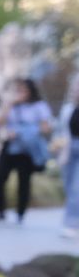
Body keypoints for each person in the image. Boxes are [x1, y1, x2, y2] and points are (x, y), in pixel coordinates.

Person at [0, 77, 53, 225]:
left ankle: (20, 213)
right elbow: (0, 122)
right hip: (11, 146)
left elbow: (46, 127)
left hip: (27, 149)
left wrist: (27, 131)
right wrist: (9, 105)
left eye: (24, 90)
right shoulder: (12, 106)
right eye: (19, 90)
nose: (21, 93)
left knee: (23, 181)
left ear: (31, 91)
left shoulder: (39, 106)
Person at [61, 81, 79, 240]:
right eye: (74, 88)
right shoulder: (68, 109)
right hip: (69, 149)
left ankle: (72, 224)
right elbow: (62, 130)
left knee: (76, 188)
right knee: (68, 186)